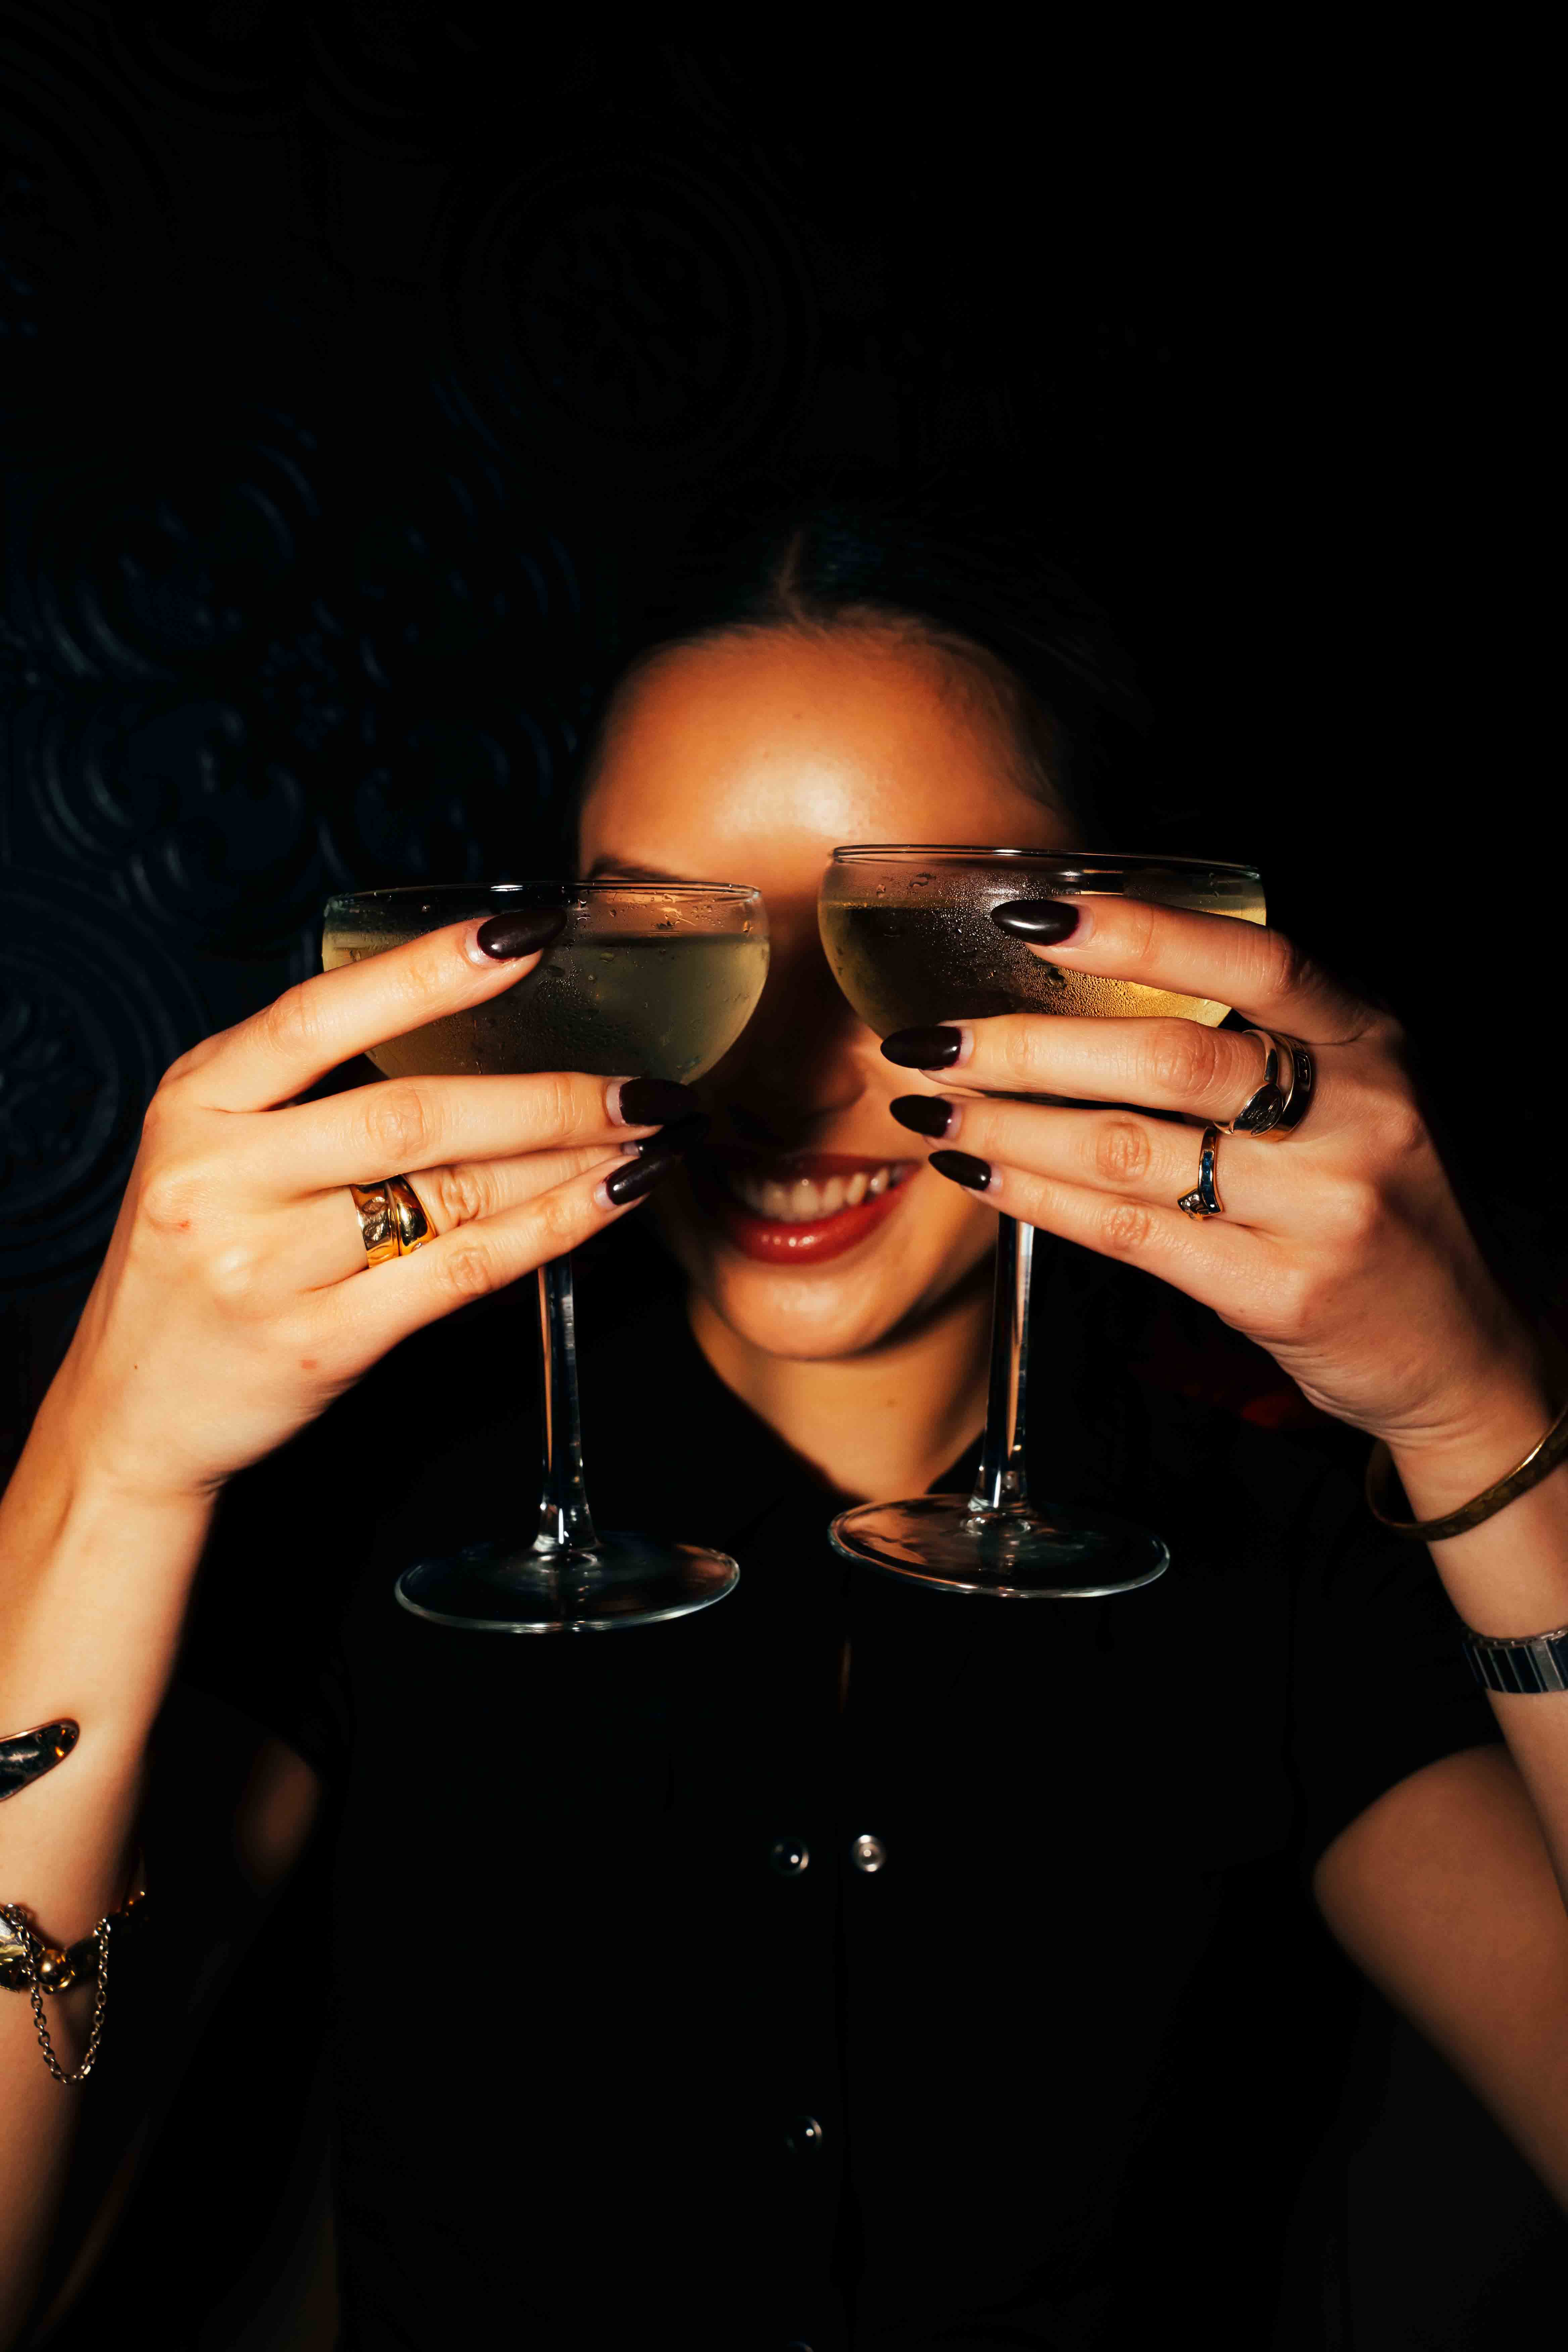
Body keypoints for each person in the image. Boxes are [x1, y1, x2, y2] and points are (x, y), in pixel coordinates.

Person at [4, 488, 1567, 2351]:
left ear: (1128, 953)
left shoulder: (1274, 1551)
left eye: (918, 929)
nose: (766, 1060)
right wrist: (103, 1463)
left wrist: (1474, 1417)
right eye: (676, 931)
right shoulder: (380, 1511)